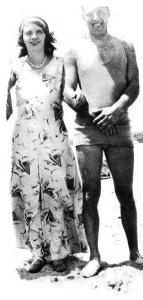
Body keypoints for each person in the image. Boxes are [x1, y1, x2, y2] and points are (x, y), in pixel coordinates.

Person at [64, 4, 143, 277]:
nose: (96, 20)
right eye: (90, 14)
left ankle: (135, 254)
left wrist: (116, 110)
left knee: (125, 194)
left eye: (100, 13)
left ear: (108, 14)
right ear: (83, 16)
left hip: (120, 126)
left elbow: (134, 85)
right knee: (90, 194)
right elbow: (68, 89)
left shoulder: (125, 46)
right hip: (87, 128)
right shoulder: (73, 50)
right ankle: (95, 257)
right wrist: (81, 107)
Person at [6, 16, 87, 273]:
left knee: (57, 193)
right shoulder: (14, 66)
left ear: (46, 35)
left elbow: (72, 97)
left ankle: (58, 252)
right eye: (28, 32)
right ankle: (38, 253)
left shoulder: (62, 64)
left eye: (38, 31)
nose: (33, 36)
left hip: (55, 138)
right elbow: (5, 107)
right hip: (24, 142)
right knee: (30, 195)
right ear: (22, 38)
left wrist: (80, 98)